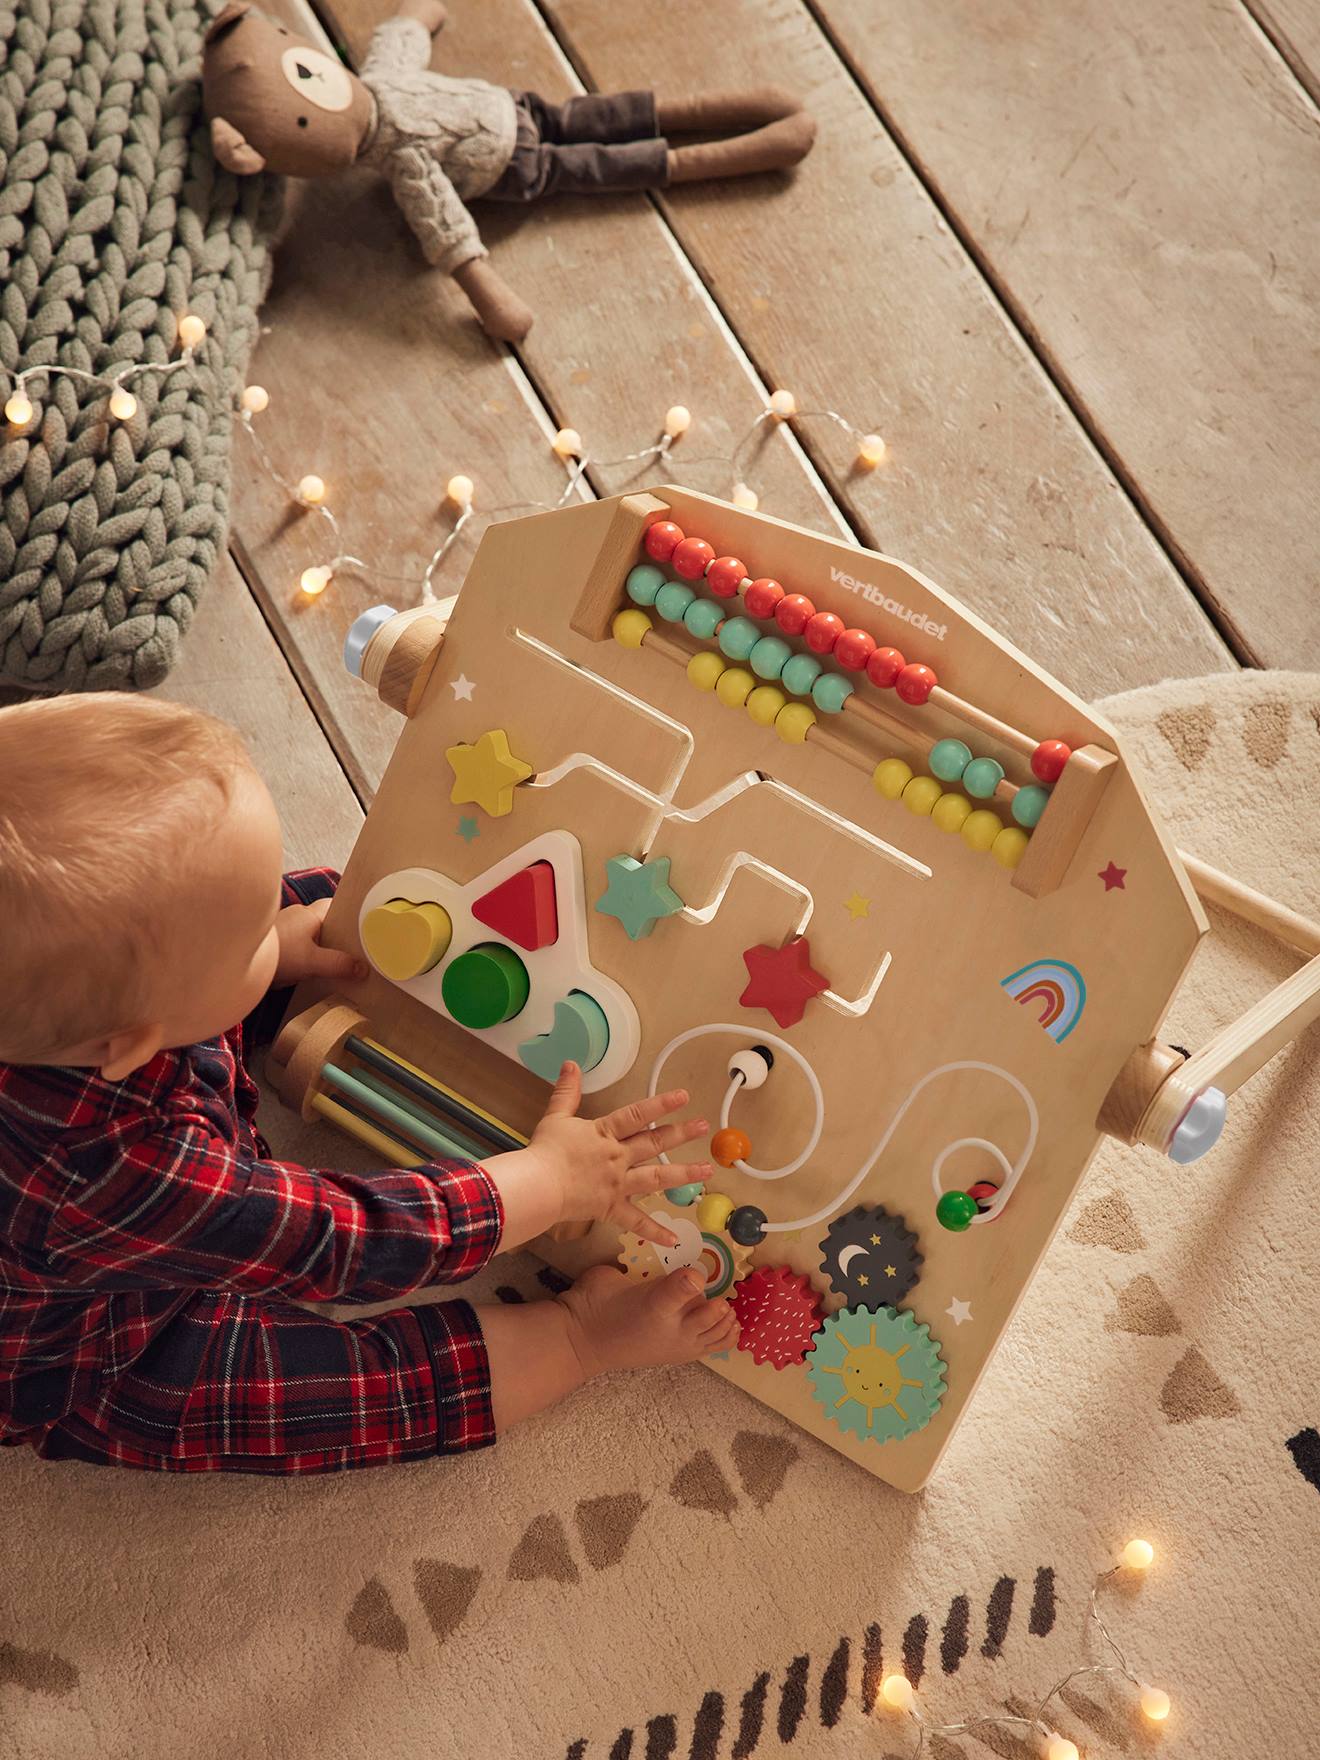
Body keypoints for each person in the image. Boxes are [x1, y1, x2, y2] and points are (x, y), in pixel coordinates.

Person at [0, 693, 734, 1474]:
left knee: (317, 917)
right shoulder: (120, 1172)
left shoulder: (63, 1008)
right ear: (129, 1043)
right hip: (94, 1350)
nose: (268, 926)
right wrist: (548, 1181)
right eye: (251, 936)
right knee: (306, 1396)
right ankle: (576, 1339)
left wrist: (274, 943)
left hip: (126, 1083)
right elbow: (347, 1242)